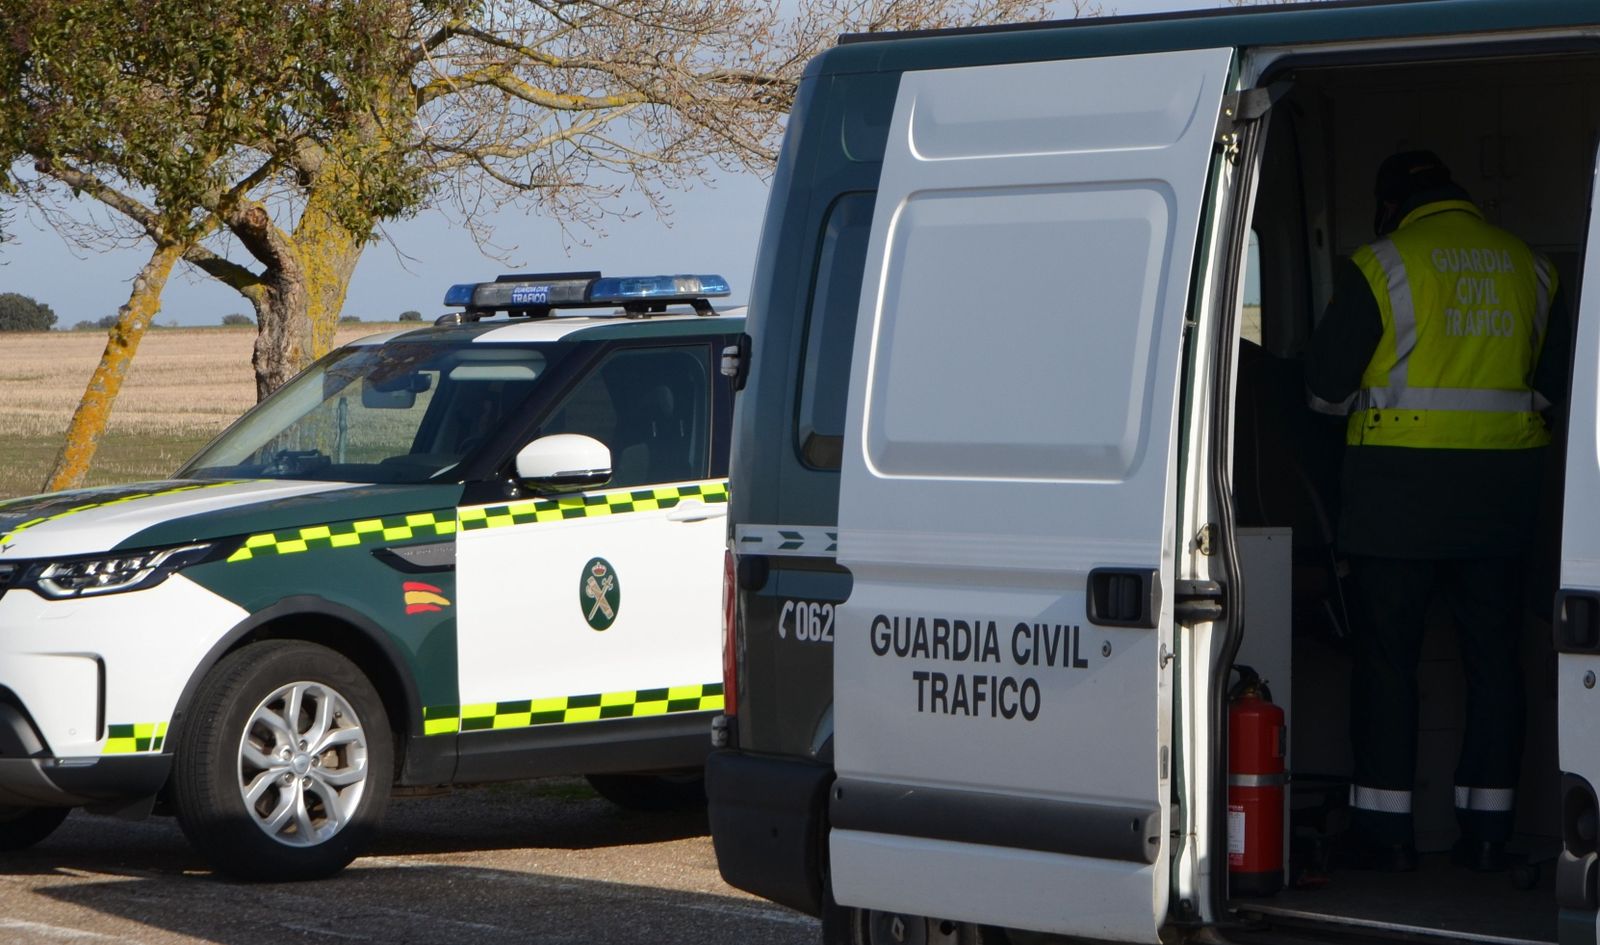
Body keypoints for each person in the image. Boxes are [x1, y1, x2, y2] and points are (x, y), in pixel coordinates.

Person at [1305, 150, 1569, 873]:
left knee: (1388, 664)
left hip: (1397, 503)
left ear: (1391, 205)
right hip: (1500, 503)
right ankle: (1488, 834)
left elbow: (1324, 395)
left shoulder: (1378, 265)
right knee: (1493, 665)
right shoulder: (1533, 268)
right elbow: (1550, 389)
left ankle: (1386, 836)